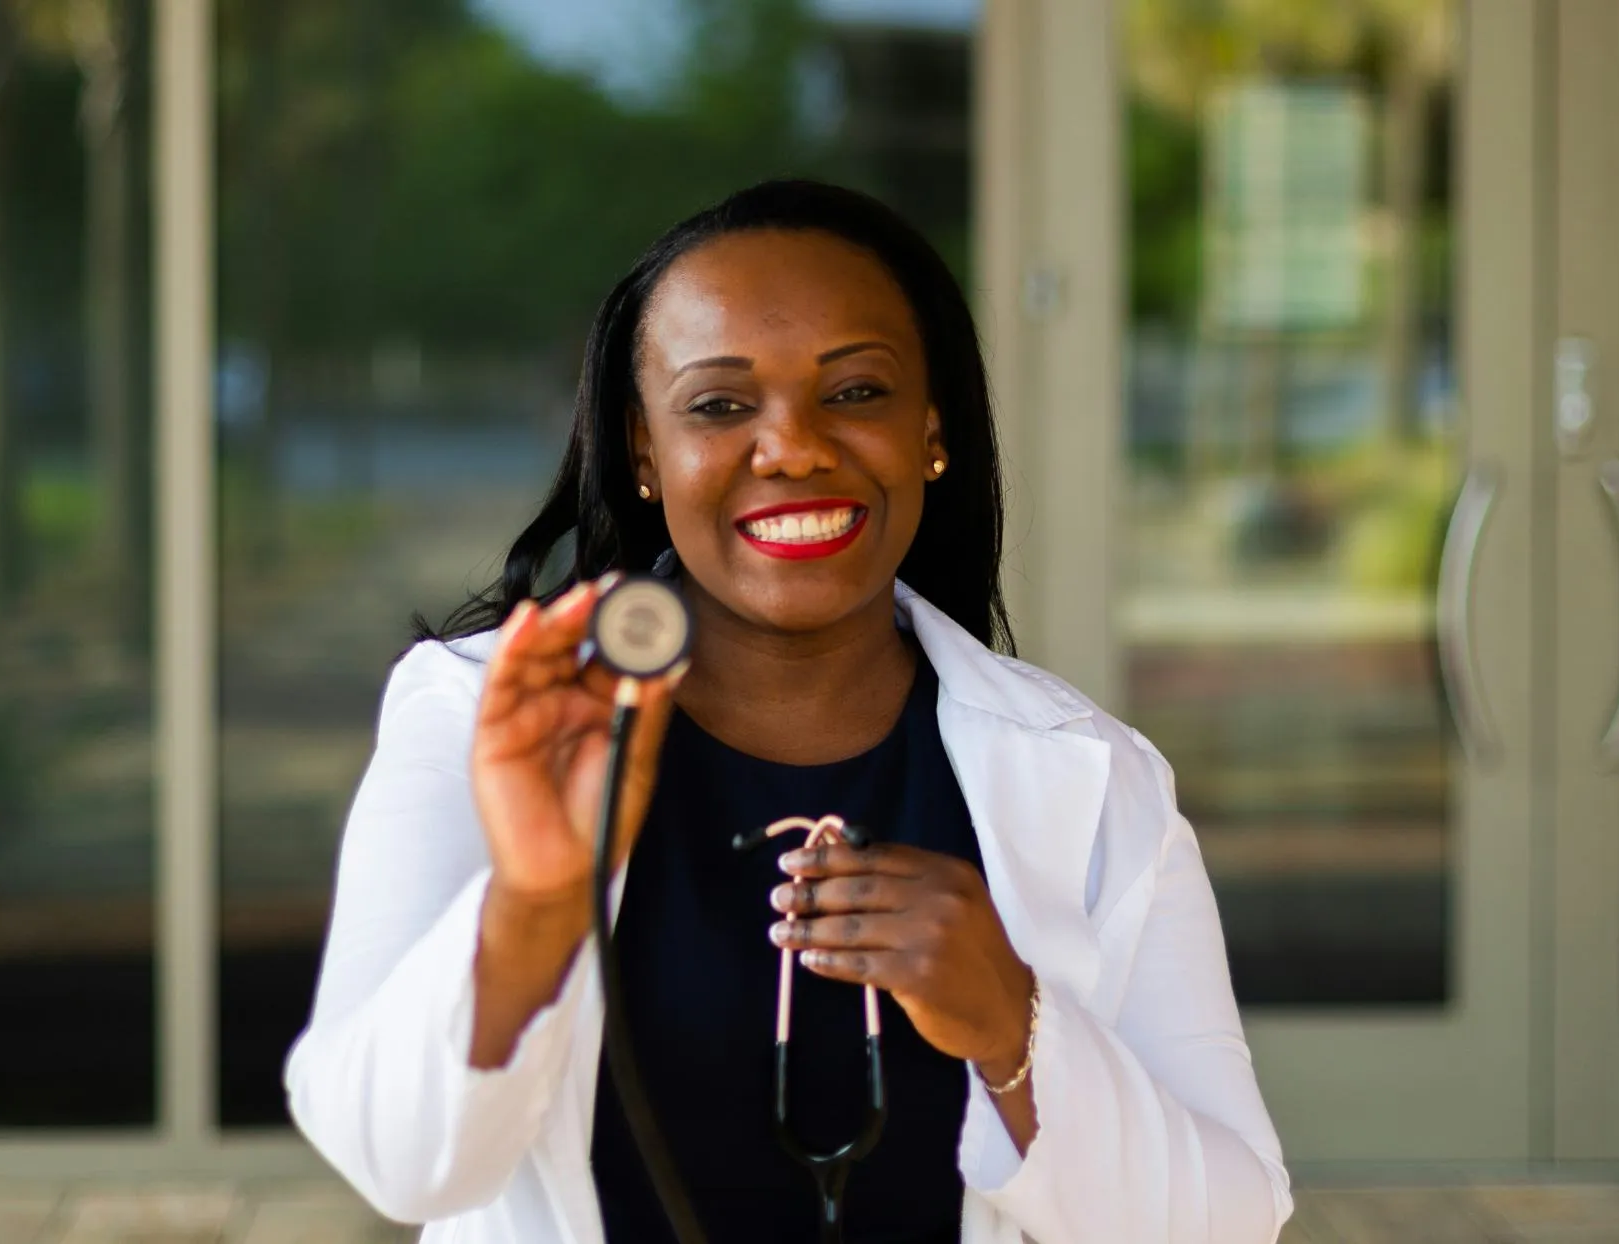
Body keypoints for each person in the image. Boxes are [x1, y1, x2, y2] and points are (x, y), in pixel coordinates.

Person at [284, 180, 1293, 1244]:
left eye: (856, 392)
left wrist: (1012, 1024)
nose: (793, 446)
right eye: (718, 405)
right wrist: (532, 906)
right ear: (641, 451)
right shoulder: (478, 715)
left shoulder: (1090, 774)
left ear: (929, 430)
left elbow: (1227, 1219)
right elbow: (396, 1162)